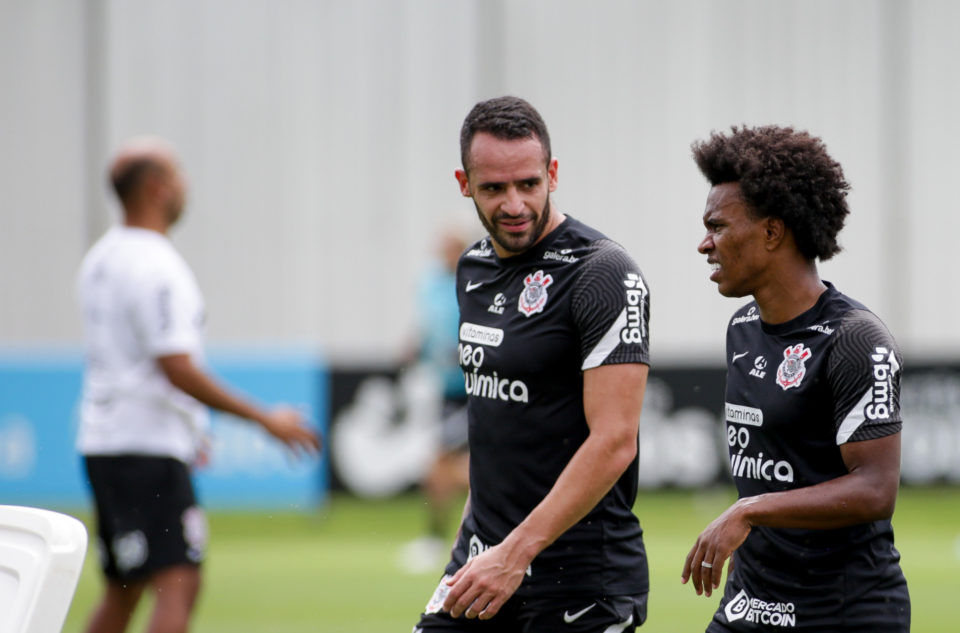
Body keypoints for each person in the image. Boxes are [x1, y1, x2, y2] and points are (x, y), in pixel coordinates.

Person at [412, 96, 651, 632]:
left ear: (553, 174)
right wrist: (473, 540)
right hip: (482, 558)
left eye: (528, 184)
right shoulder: (471, 268)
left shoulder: (604, 274)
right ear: (464, 182)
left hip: (583, 577)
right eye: (494, 188)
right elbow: (498, 423)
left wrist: (515, 554)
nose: (514, 204)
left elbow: (615, 440)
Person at [76, 136, 322, 633]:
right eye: (178, 175)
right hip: (146, 446)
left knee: (124, 590)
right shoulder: (158, 266)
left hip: (103, 440)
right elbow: (177, 367)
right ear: (156, 188)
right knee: (178, 583)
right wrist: (264, 419)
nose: (186, 186)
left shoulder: (100, 258)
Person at [682, 125, 910, 632]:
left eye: (717, 226)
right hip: (750, 605)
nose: (704, 244)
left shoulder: (856, 340)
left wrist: (749, 511)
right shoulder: (741, 328)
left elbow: (876, 489)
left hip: (842, 613)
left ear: (771, 232)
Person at [399, 227, 472, 574]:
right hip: (448, 389)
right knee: (441, 466)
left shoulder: (478, 277)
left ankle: (457, 536)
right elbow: (429, 327)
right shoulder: (430, 282)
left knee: (454, 466)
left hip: (478, 386)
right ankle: (439, 537)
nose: (445, 255)